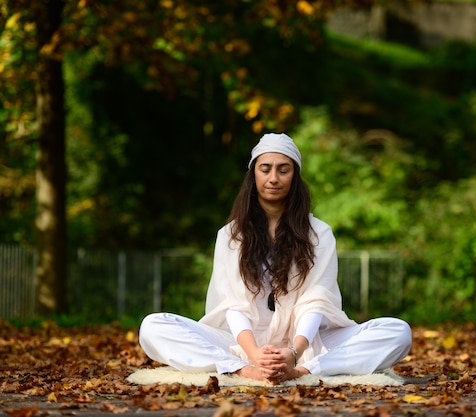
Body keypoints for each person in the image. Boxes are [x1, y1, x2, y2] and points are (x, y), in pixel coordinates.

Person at [139, 132, 412, 385]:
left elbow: (315, 301)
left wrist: (294, 353)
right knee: (153, 327)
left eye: (284, 170)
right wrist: (254, 356)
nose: (273, 178)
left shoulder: (319, 233)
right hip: (240, 343)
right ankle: (241, 370)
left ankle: (307, 371)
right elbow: (234, 304)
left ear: (294, 176)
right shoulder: (230, 235)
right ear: (253, 175)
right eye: (265, 169)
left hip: (307, 344)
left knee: (398, 332)